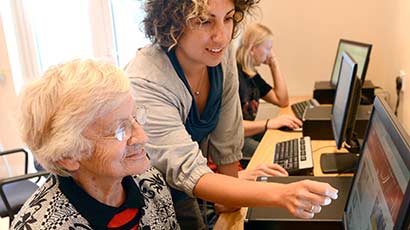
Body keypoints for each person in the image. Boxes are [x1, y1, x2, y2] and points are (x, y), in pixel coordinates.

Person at [125, 0, 339, 229]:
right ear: (173, 23)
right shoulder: (147, 80)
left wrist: (232, 194)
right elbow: (185, 169)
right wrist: (282, 193)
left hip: (194, 182)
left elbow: (227, 138)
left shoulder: (218, 56)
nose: (222, 36)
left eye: (228, 18)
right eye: (204, 21)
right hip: (154, 198)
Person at [11, 60, 179, 229]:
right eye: (119, 129)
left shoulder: (150, 182)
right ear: (68, 155)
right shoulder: (41, 225)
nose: (142, 137)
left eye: (135, 117)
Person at [236, 23, 302, 158]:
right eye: (268, 48)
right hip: (236, 139)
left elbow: (282, 100)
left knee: (287, 140)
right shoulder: (235, 76)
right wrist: (269, 123)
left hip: (246, 134)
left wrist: (274, 64)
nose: (270, 54)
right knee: (279, 155)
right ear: (253, 48)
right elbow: (230, 127)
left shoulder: (252, 76)